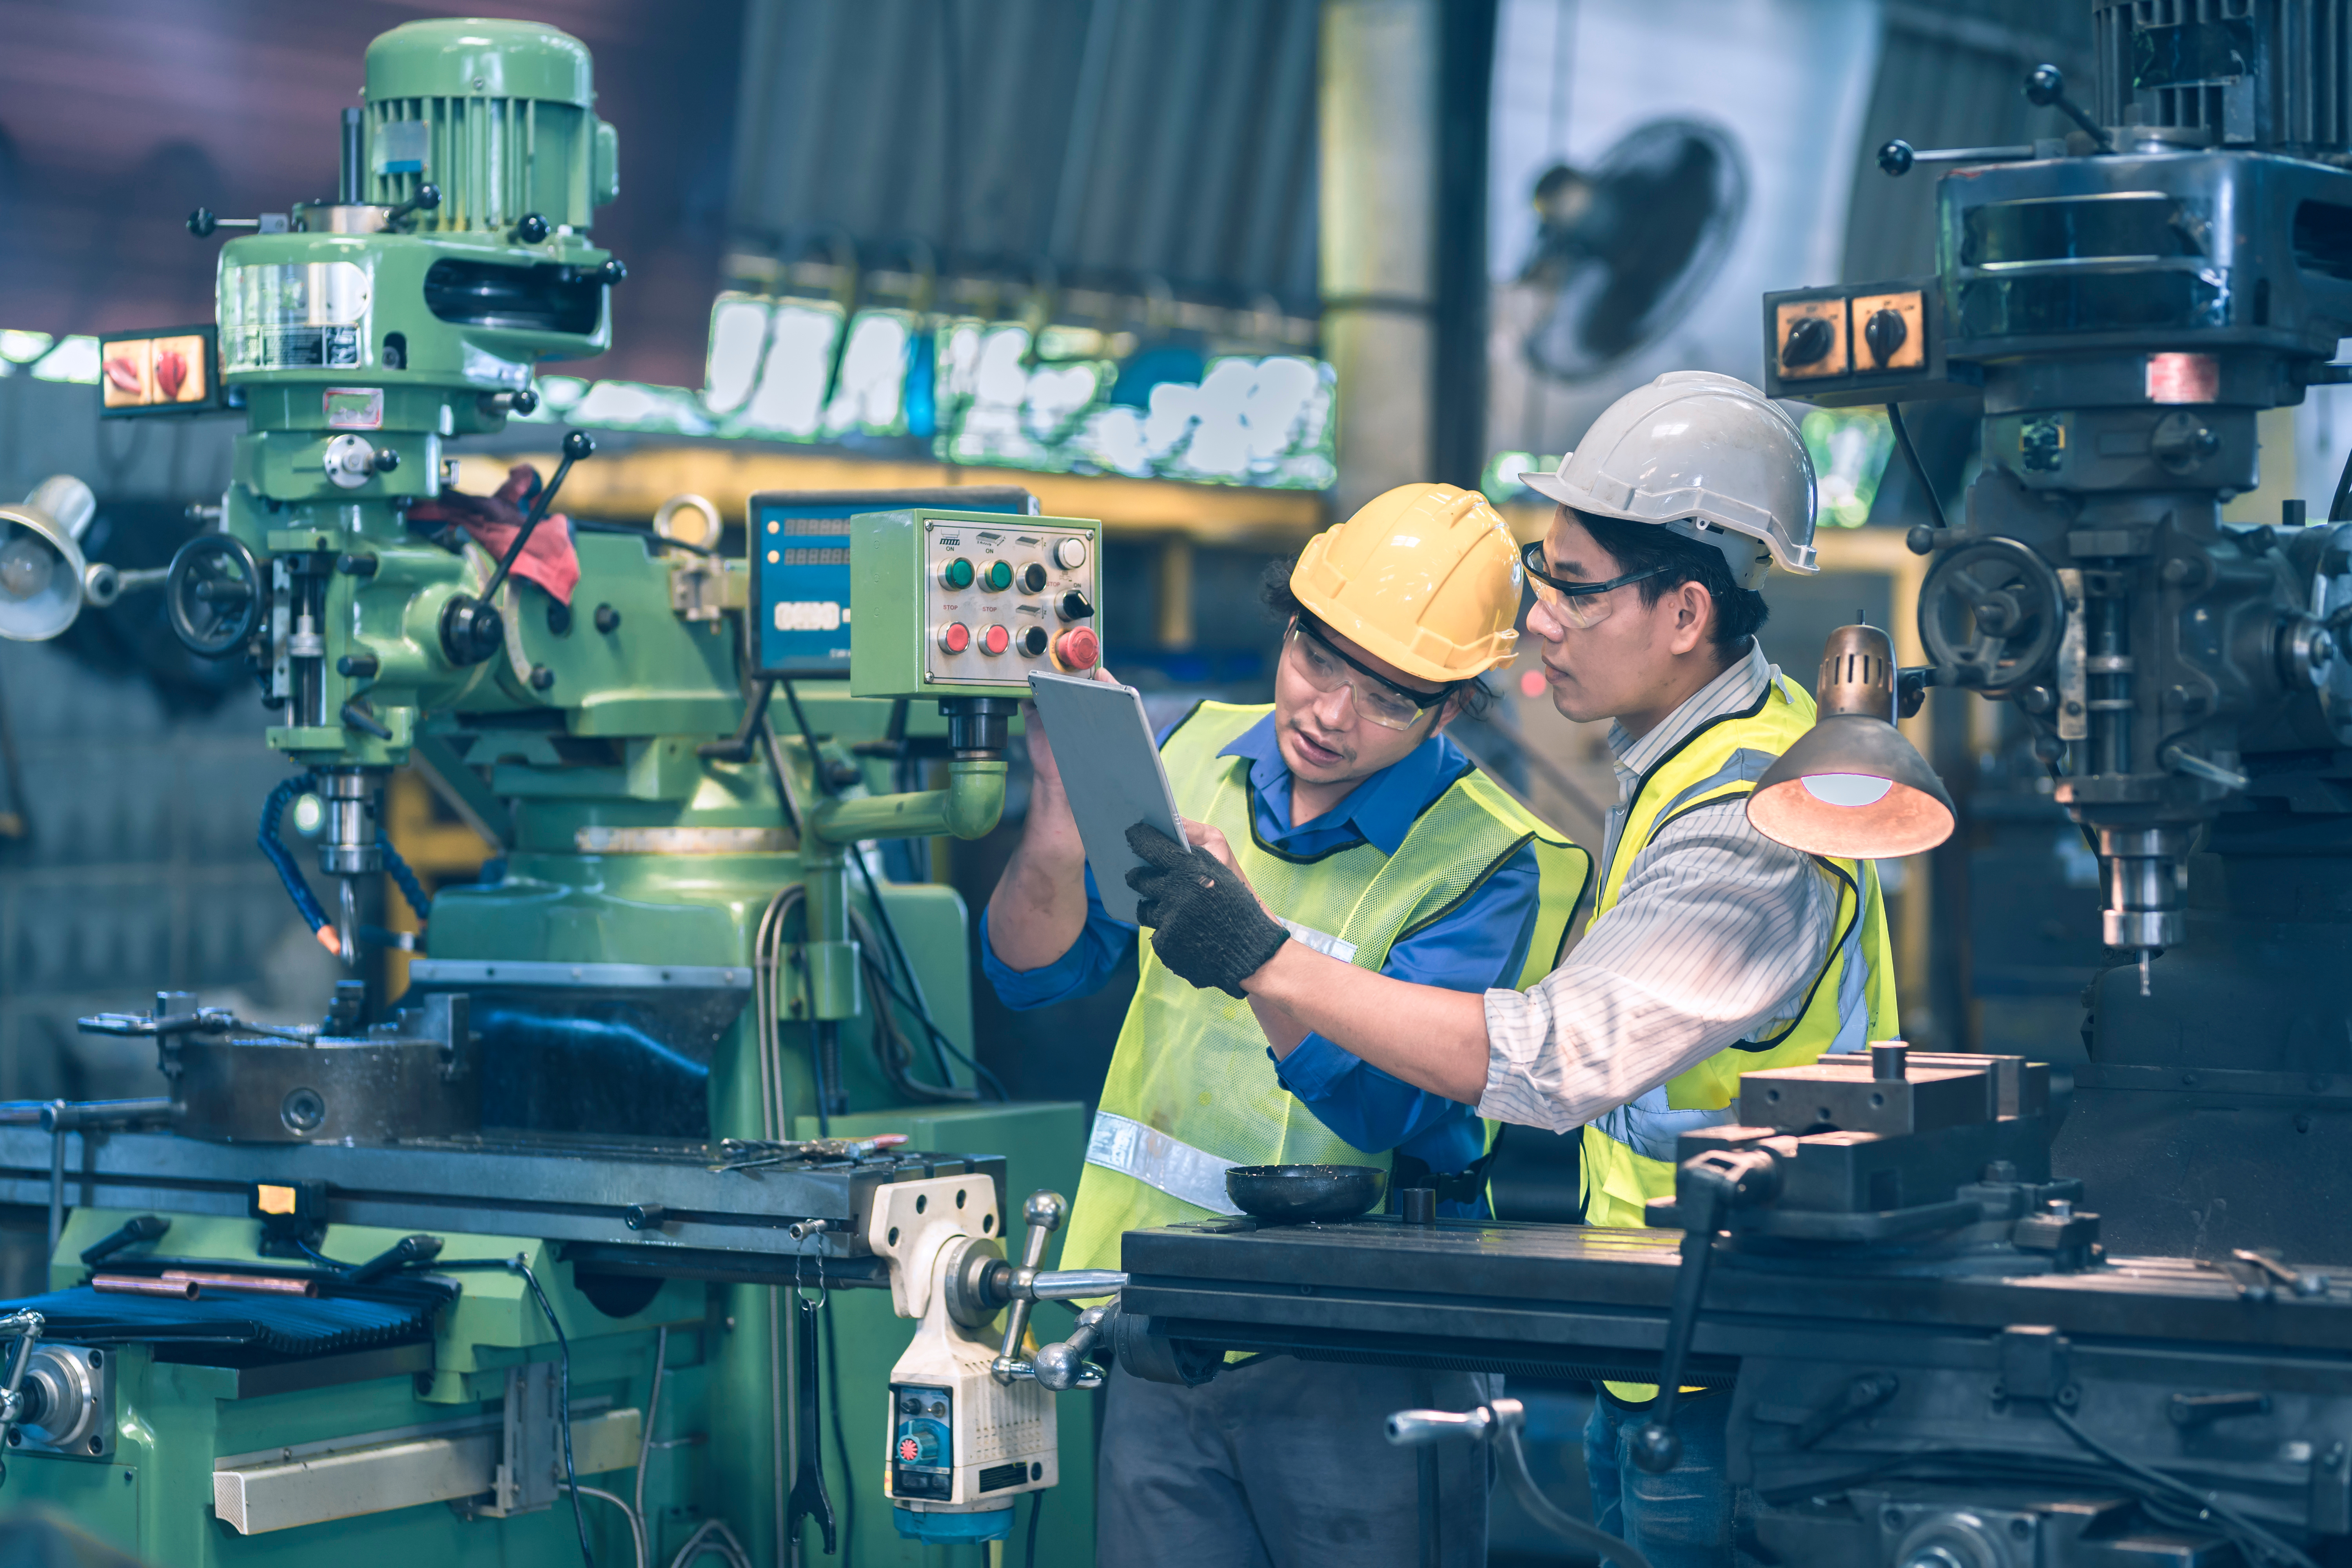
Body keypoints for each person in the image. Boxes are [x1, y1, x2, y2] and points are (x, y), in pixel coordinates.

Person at [1127, 372, 1898, 1568]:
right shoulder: (1676, 766)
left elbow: (1556, 1059)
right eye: (1544, 576)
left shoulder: (1751, 811)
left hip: (1752, 1369)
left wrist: (1262, 957)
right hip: (1666, 1352)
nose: (1540, 619)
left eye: (1574, 588)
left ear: (1686, 614)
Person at [980, 482, 1589, 1568]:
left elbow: (1387, 1108)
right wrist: (1055, 832)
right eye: (1317, 658)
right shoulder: (1191, 751)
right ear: (1289, 625)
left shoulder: (1495, 861)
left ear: (1451, 707)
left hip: (1365, 1351)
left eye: (1389, 697)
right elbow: (1031, 976)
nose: (1330, 713)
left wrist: (1251, 950)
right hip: (1162, 1323)